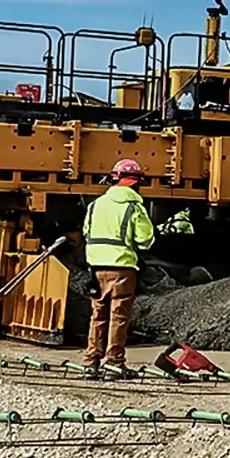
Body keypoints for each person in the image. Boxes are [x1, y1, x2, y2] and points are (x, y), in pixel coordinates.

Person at [81, 159, 156, 376]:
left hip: (95, 268)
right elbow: (146, 240)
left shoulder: (95, 205)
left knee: (98, 315)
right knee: (118, 317)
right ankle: (114, 363)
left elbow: (87, 232)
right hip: (122, 268)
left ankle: (91, 362)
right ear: (135, 183)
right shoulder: (134, 207)